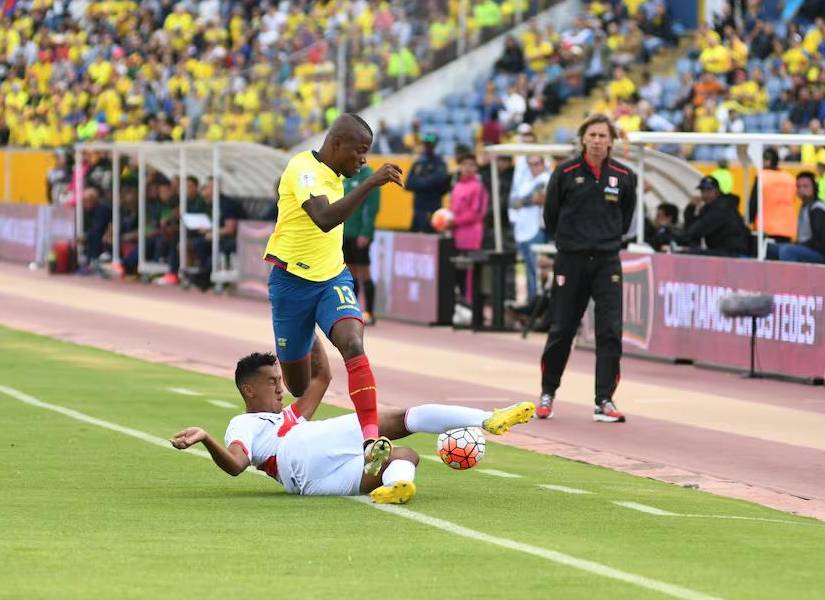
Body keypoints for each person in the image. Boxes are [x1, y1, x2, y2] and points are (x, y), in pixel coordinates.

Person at [170, 342, 535, 504]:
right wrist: (206, 438)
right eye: (271, 382)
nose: (281, 388)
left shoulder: (286, 417)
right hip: (297, 450)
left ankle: (398, 488)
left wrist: (305, 327)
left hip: (307, 484)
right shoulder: (243, 424)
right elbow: (236, 465)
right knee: (393, 419)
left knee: (404, 455)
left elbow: (322, 377)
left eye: (280, 381)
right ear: (248, 389)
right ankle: (489, 419)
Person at [263, 113, 402, 476]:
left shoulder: (337, 175)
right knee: (298, 386)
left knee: (353, 343)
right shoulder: (303, 169)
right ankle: (306, 334)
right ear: (336, 144)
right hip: (291, 284)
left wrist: (364, 182)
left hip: (331, 279)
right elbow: (324, 219)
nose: (363, 160)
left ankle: (371, 440)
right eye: (359, 152)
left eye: (367, 154)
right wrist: (371, 183)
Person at [538, 114, 636, 423]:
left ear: (611, 141)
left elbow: (627, 214)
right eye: (591, 135)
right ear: (583, 139)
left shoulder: (623, 175)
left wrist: (605, 239)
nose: (596, 140)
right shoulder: (565, 172)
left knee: (610, 331)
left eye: (602, 136)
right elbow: (550, 215)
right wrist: (572, 241)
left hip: (607, 260)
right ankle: (547, 393)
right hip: (571, 259)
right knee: (562, 329)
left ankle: (604, 400)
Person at [342, 163, 381, 325]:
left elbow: (372, 208)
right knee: (350, 273)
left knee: (364, 272)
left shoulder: (369, 177)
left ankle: (370, 313)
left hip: (359, 233)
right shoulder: (346, 176)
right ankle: (354, 311)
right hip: (345, 232)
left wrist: (365, 232)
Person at [508, 155, 550, 302]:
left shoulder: (546, 178)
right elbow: (513, 203)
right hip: (522, 230)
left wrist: (524, 200)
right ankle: (531, 302)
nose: (534, 167)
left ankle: (536, 304)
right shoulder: (525, 181)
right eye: (531, 164)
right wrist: (527, 200)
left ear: (543, 163)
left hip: (537, 229)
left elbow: (538, 198)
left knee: (537, 270)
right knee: (529, 270)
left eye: (537, 163)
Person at [449, 154, 489, 304]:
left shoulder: (477, 187)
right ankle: (461, 303)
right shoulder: (457, 186)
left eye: (471, 164)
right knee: (458, 272)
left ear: (476, 168)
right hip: (457, 234)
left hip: (472, 236)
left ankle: (471, 304)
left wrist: (454, 221)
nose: (466, 167)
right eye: (464, 164)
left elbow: (476, 213)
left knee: (470, 273)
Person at [678, 176, 750, 257]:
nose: (705, 195)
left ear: (717, 192)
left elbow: (697, 230)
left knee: (691, 254)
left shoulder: (722, 208)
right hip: (723, 250)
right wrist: (690, 209)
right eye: (703, 191)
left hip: (732, 252)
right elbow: (692, 229)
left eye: (709, 191)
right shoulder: (711, 207)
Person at [765, 172, 825, 263]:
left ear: (814, 187)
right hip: (807, 248)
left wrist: (799, 245)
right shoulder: (805, 206)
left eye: (805, 186)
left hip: (819, 252)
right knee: (770, 249)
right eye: (798, 187)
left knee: (787, 251)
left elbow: (819, 241)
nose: (801, 190)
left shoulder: (817, 209)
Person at [748, 147, 797, 244]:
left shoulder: (762, 177)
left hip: (766, 229)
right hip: (787, 229)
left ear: (767, 161)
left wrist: (749, 220)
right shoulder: (790, 178)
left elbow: (754, 203)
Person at [406, 133, 451, 233]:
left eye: (431, 144)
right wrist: (428, 183)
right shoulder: (418, 163)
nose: (428, 147)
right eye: (426, 144)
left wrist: (421, 182)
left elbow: (442, 183)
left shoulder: (440, 163)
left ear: (435, 145)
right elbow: (408, 184)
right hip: (419, 209)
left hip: (434, 208)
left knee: (432, 238)